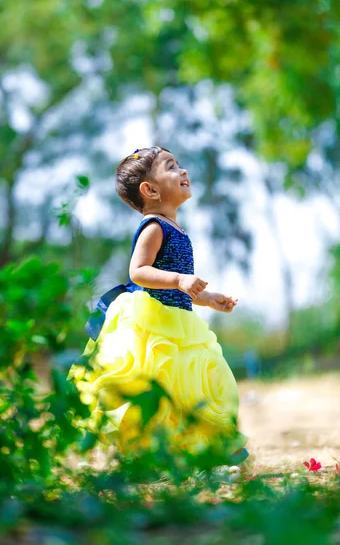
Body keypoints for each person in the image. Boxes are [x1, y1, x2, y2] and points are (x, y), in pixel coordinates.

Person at [68, 146, 248, 464]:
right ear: (149, 190)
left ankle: (210, 444)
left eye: (180, 165)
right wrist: (179, 279)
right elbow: (138, 271)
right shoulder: (154, 227)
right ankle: (152, 449)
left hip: (179, 320)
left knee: (195, 382)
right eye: (172, 167)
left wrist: (206, 298)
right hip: (153, 323)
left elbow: (182, 288)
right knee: (161, 382)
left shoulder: (178, 230)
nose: (183, 172)